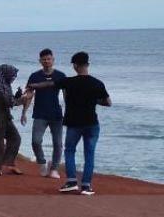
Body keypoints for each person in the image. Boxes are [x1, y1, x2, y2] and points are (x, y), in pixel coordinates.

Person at [29, 51, 111, 195]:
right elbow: (108, 102)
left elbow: (49, 84)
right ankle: (86, 186)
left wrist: (33, 85)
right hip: (92, 123)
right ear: (88, 64)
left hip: (74, 124)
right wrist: (94, 100)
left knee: (70, 151)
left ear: (74, 66)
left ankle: (72, 181)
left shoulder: (69, 82)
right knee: (89, 154)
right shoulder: (97, 83)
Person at [21, 48, 66, 179]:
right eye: (44, 59)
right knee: (35, 141)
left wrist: (69, 112)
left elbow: (66, 94)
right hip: (40, 114)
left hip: (56, 114)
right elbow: (29, 95)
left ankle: (54, 170)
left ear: (53, 60)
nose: (47, 61)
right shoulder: (34, 76)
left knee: (58, 143)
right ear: (40, 61)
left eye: (49, 59)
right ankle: (42, 162)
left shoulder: (61, 76)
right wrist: (24, 112)